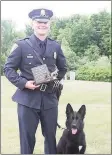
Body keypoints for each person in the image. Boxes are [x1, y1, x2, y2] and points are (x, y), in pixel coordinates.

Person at [3, 8, 67, 154]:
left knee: (51, 138)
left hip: (50, 100)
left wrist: (54, 80)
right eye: (39, 22)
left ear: (49, 24)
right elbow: (8, 69)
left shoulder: (55, 46)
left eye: (45, 22)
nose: (42, 25)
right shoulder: (21, 45)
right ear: (32, 24)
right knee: (27, 139)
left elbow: (63, 68)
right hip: (27, 100)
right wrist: (23, 83)